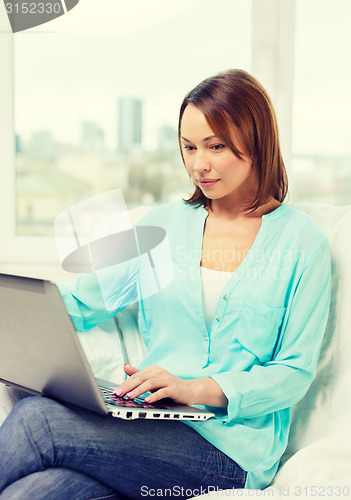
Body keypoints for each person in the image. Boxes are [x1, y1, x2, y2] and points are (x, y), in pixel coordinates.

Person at [0, 69, 331, 499]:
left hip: (229, 452)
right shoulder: (160, 225)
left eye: (216, 146)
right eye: (189, 147)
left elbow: (292, 373)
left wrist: (192, 389)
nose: (199, 164)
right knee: (33, 492)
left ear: (257, 142)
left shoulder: (302, 243)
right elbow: (81, 303)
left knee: (37, 420)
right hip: (145, 428)